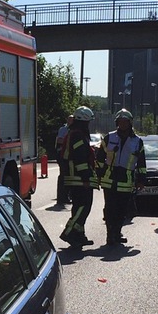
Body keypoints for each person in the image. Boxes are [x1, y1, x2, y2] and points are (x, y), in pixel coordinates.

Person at [98, 109, 146, 248]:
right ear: (117, 123)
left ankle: (117, 233)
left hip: (126, 180)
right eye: (120, 122)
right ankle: (110, 234)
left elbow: (141, 163)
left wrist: (141, 180)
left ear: (130, 123)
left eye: (125, 122)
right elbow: (100, 158)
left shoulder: (137, 141)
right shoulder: (109, 138)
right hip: (109, 178)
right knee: (109, 208)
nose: (122, 124)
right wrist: (99, 175)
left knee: (122, 209)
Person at [59, 106, 96, 247]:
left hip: (75, 177)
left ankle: (79, 235)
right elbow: (80, 158)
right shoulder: (78, 135)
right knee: (83, 207)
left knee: (79, 207)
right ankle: (69, 232)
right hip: (78, 178)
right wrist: (86, 178)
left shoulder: (74, 133)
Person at [54, 114, 73, 206]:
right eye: (70, 119)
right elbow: (59, 140)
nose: (71, 121)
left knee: (70, 176)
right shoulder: (63, 129)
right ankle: (62, 197)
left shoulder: (75, 130)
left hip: (71, 156)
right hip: (62, 155)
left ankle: (68, 195)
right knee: (64, 175)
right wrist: (69, 141)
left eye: (72, 120)